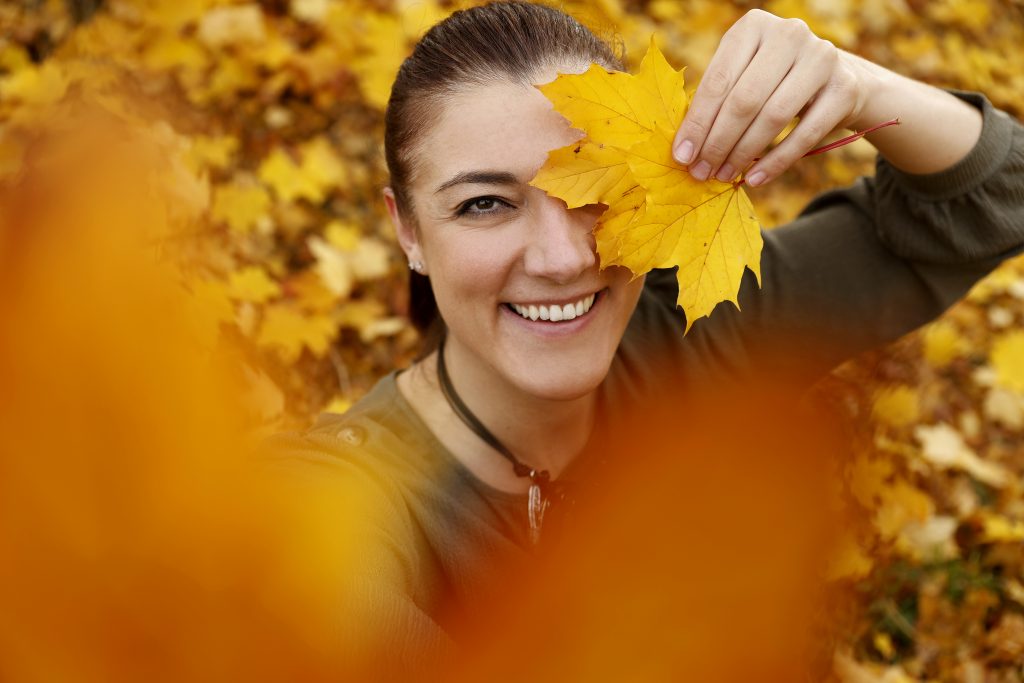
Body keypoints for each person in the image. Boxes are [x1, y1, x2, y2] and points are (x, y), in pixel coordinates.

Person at [263, 1, 1024, 676]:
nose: (563, 259)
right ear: (408, 231)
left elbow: (999, 197)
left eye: (599, 190)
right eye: (486, 204)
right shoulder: (342, 503)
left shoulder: (692, 333)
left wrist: (860, 88)